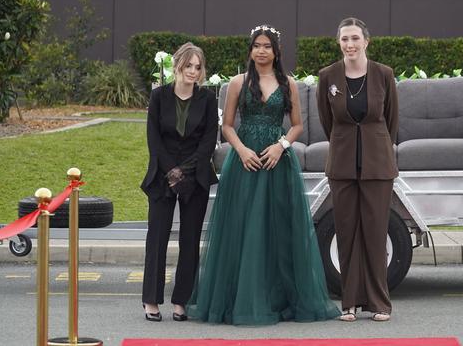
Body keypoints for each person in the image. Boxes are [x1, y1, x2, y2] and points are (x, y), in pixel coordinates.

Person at [187, 25, 340, 325]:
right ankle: (239, 299)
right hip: (244, 163)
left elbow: (297, 125)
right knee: (243, 229)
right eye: (256, 45)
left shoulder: (288, 84)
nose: (261, 51)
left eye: (267, 46)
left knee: (277, 229)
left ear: (276, 51)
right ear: (251, 50)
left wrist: (280, 147)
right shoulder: (237, 83)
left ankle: (278, 297)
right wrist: (242, 151)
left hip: (276, 163)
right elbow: (227, 125)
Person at [316, 17, 399, 322]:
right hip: (342, 165)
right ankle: (349, 302)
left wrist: (373, 145)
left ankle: (379, 302)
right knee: (347, 232)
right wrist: (346, 145)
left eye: (354, 38)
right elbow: (328, 121)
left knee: (376, 234)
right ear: (338, 43)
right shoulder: (328, 77)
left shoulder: (383, 75)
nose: (349, 44)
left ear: (366, 41)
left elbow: (390, 120)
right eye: (344, 39)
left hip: (378, 166)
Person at [140, 42, 219, 322]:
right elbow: (154, 139)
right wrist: (171, 171)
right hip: (162, 176)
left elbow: (209, 141)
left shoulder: (208, 99)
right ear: (177, 66)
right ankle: (151, 300)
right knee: (157, 238)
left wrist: (184, 171)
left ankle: (181, 301)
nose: (193, 72)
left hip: (195, 176)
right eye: (189, 66)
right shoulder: (159, 96)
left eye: (198, 67)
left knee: (189, 240)